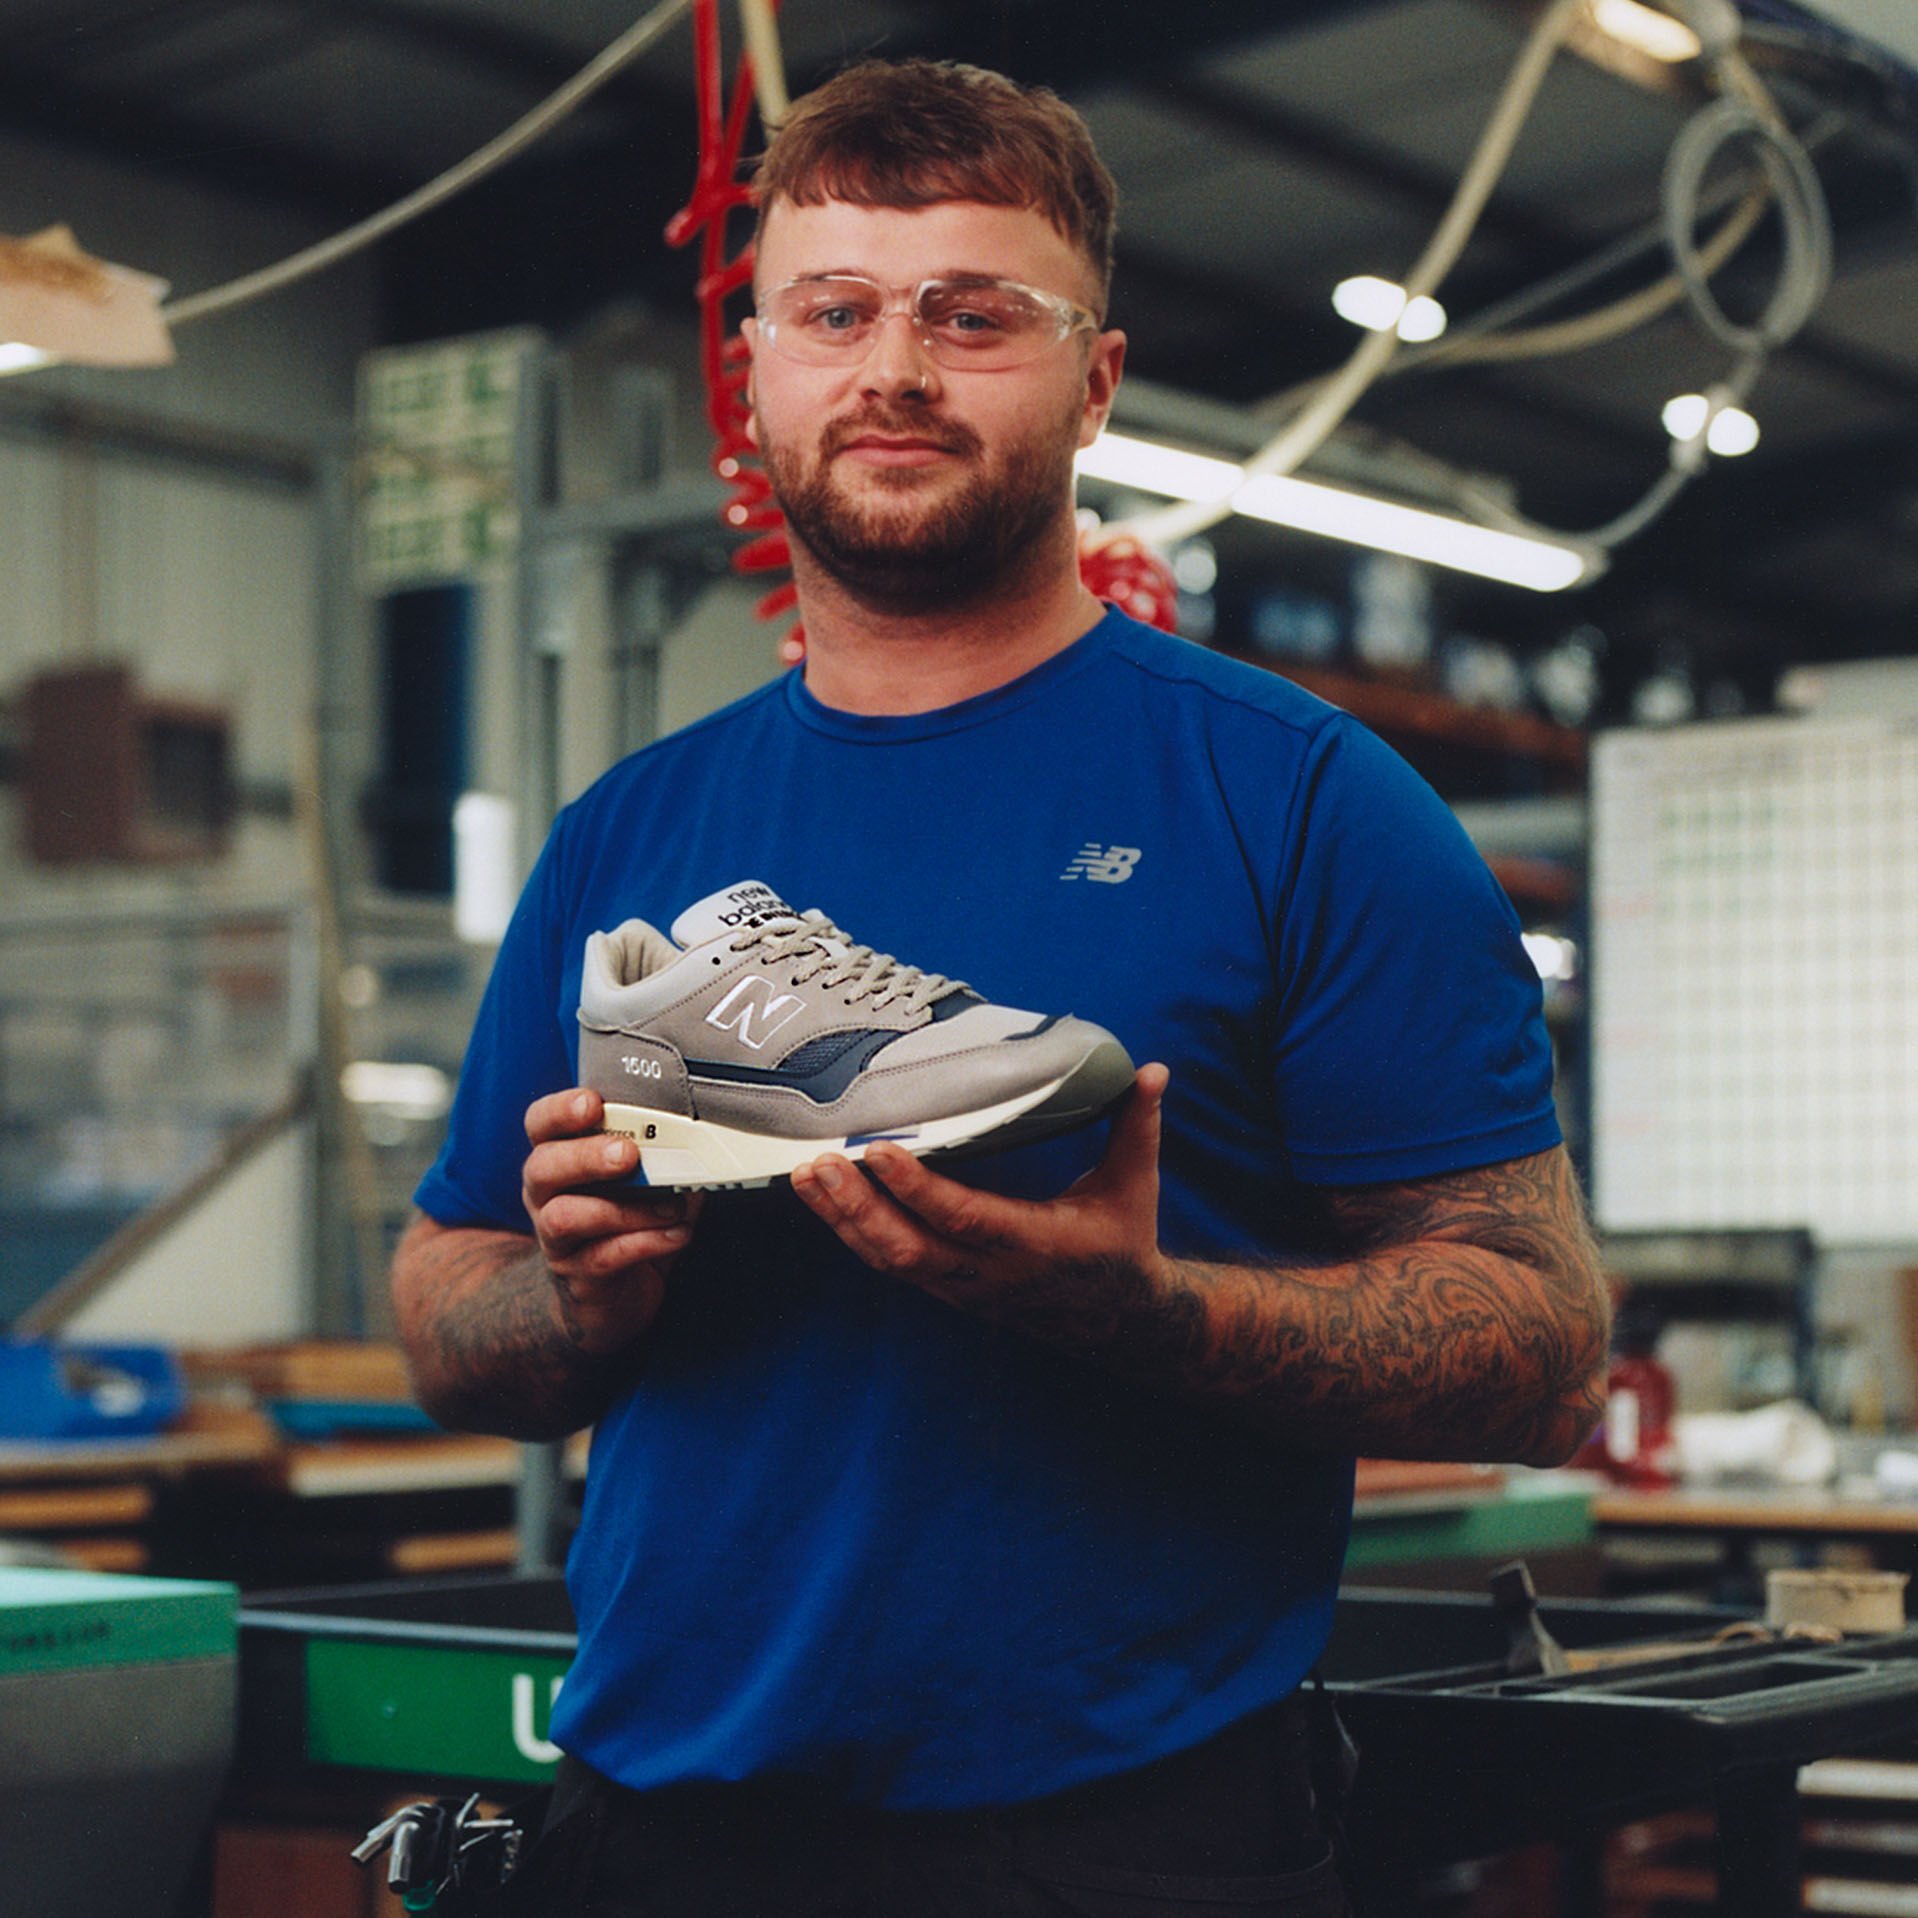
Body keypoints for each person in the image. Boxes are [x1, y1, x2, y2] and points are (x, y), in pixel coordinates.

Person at [393, 56, 1610, 1918]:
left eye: (974, 316)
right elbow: (439, 1306)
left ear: (1093, 383)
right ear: (760, 369)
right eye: (835, 312)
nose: (893, 367)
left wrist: (1135, 1310)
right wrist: (573, 1302)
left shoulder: (1300, 801)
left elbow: (1538, 1347)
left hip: (1125, 1827)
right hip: (656, 1813)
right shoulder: (632, 830)